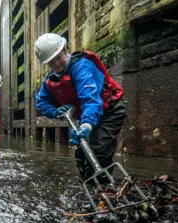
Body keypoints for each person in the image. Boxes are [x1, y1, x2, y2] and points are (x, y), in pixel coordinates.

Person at [34, 33, 126, 183]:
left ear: (65, 49)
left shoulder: (81, 67)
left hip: (110, 110)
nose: (57, 64)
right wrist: (56, 112)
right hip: (87, 116)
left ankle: (101, 189)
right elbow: (41, 102)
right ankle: (88, 184)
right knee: (81, 154)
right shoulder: (49, 79)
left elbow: (90, 100)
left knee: (99, 149)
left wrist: (86, 124)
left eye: (59, 57)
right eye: (51, 62)